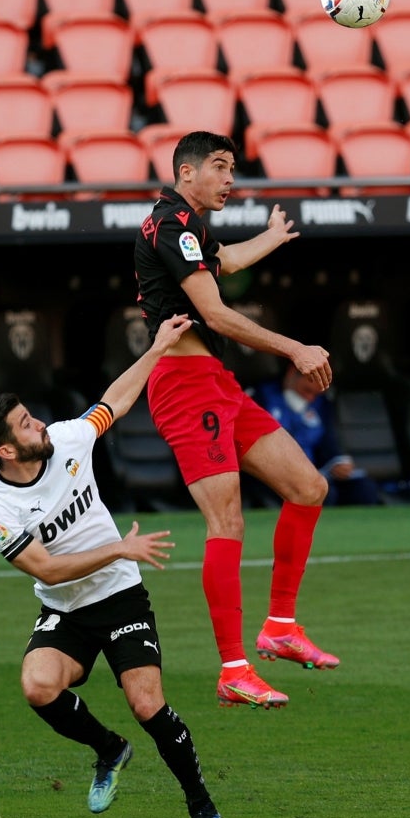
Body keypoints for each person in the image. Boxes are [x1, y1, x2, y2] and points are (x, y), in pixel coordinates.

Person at [0, 314, 225, 818]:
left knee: (147, 702)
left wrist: (159, 348)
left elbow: (114, 402)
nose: (39, 424)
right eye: (26, 425)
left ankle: (202, 807)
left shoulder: (67, 440)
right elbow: (47, 569)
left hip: (121, 597)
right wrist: (119, 547)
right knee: (37, 687)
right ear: (6, 452)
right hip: (65, 607)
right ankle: (110, 750)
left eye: (31, 415)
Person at [134, 130, 340, 712]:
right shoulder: (170, 225)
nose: (230, 179)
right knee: (227, 522)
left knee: (309, 487)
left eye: (233, 169)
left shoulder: (189, 227)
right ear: (186, 172)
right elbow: (216, 313)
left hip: (218, 385)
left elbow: (221, 263)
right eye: (220, 168)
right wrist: (295, 348)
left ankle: (279, 626)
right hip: (182, 386)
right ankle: (233, 669)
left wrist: (272, 238)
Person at [253, 363, 381, 507]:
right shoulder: (262, 396)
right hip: (276, 475)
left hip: (316, 471)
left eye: (315, 394)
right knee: (320, 493)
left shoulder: (321, 403)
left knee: (363, 489)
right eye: (307, 390)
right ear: (291, 373)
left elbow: (328, 439)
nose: (310, 398)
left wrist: (337, 461)